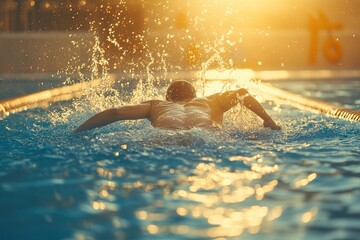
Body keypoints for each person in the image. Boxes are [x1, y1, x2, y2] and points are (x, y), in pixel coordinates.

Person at [74, 80, 281, 133]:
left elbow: (116, 112)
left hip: (164, 136)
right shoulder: (212, 100)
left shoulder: (156, 105)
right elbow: (243, 93)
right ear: (194, 96)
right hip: (206, 135)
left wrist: (78, 130)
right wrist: (268, 119)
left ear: (168, 97)